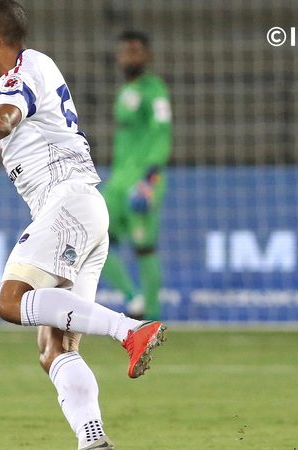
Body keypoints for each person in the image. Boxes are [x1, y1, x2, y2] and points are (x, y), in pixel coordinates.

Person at [0, 2, 166, 449]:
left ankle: (129, 329)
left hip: (67, 204)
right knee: (54, 349)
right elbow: (1, 53)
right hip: (84, 210)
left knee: (9, 301)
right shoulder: (34, 66)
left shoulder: (19, 75)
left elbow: (4, 120)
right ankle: (93, 439)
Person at [101, 30, 173, 321]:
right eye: (125, 51)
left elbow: (162, 133)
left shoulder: (154, 90)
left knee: (144, 248)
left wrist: (150, 178)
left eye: (136, 51)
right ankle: (135, 299)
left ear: (147, 55)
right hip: (117, 181)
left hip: (143, 181)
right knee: (94, 241)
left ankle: (152, 318)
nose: (129, 57)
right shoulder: (124, 91)